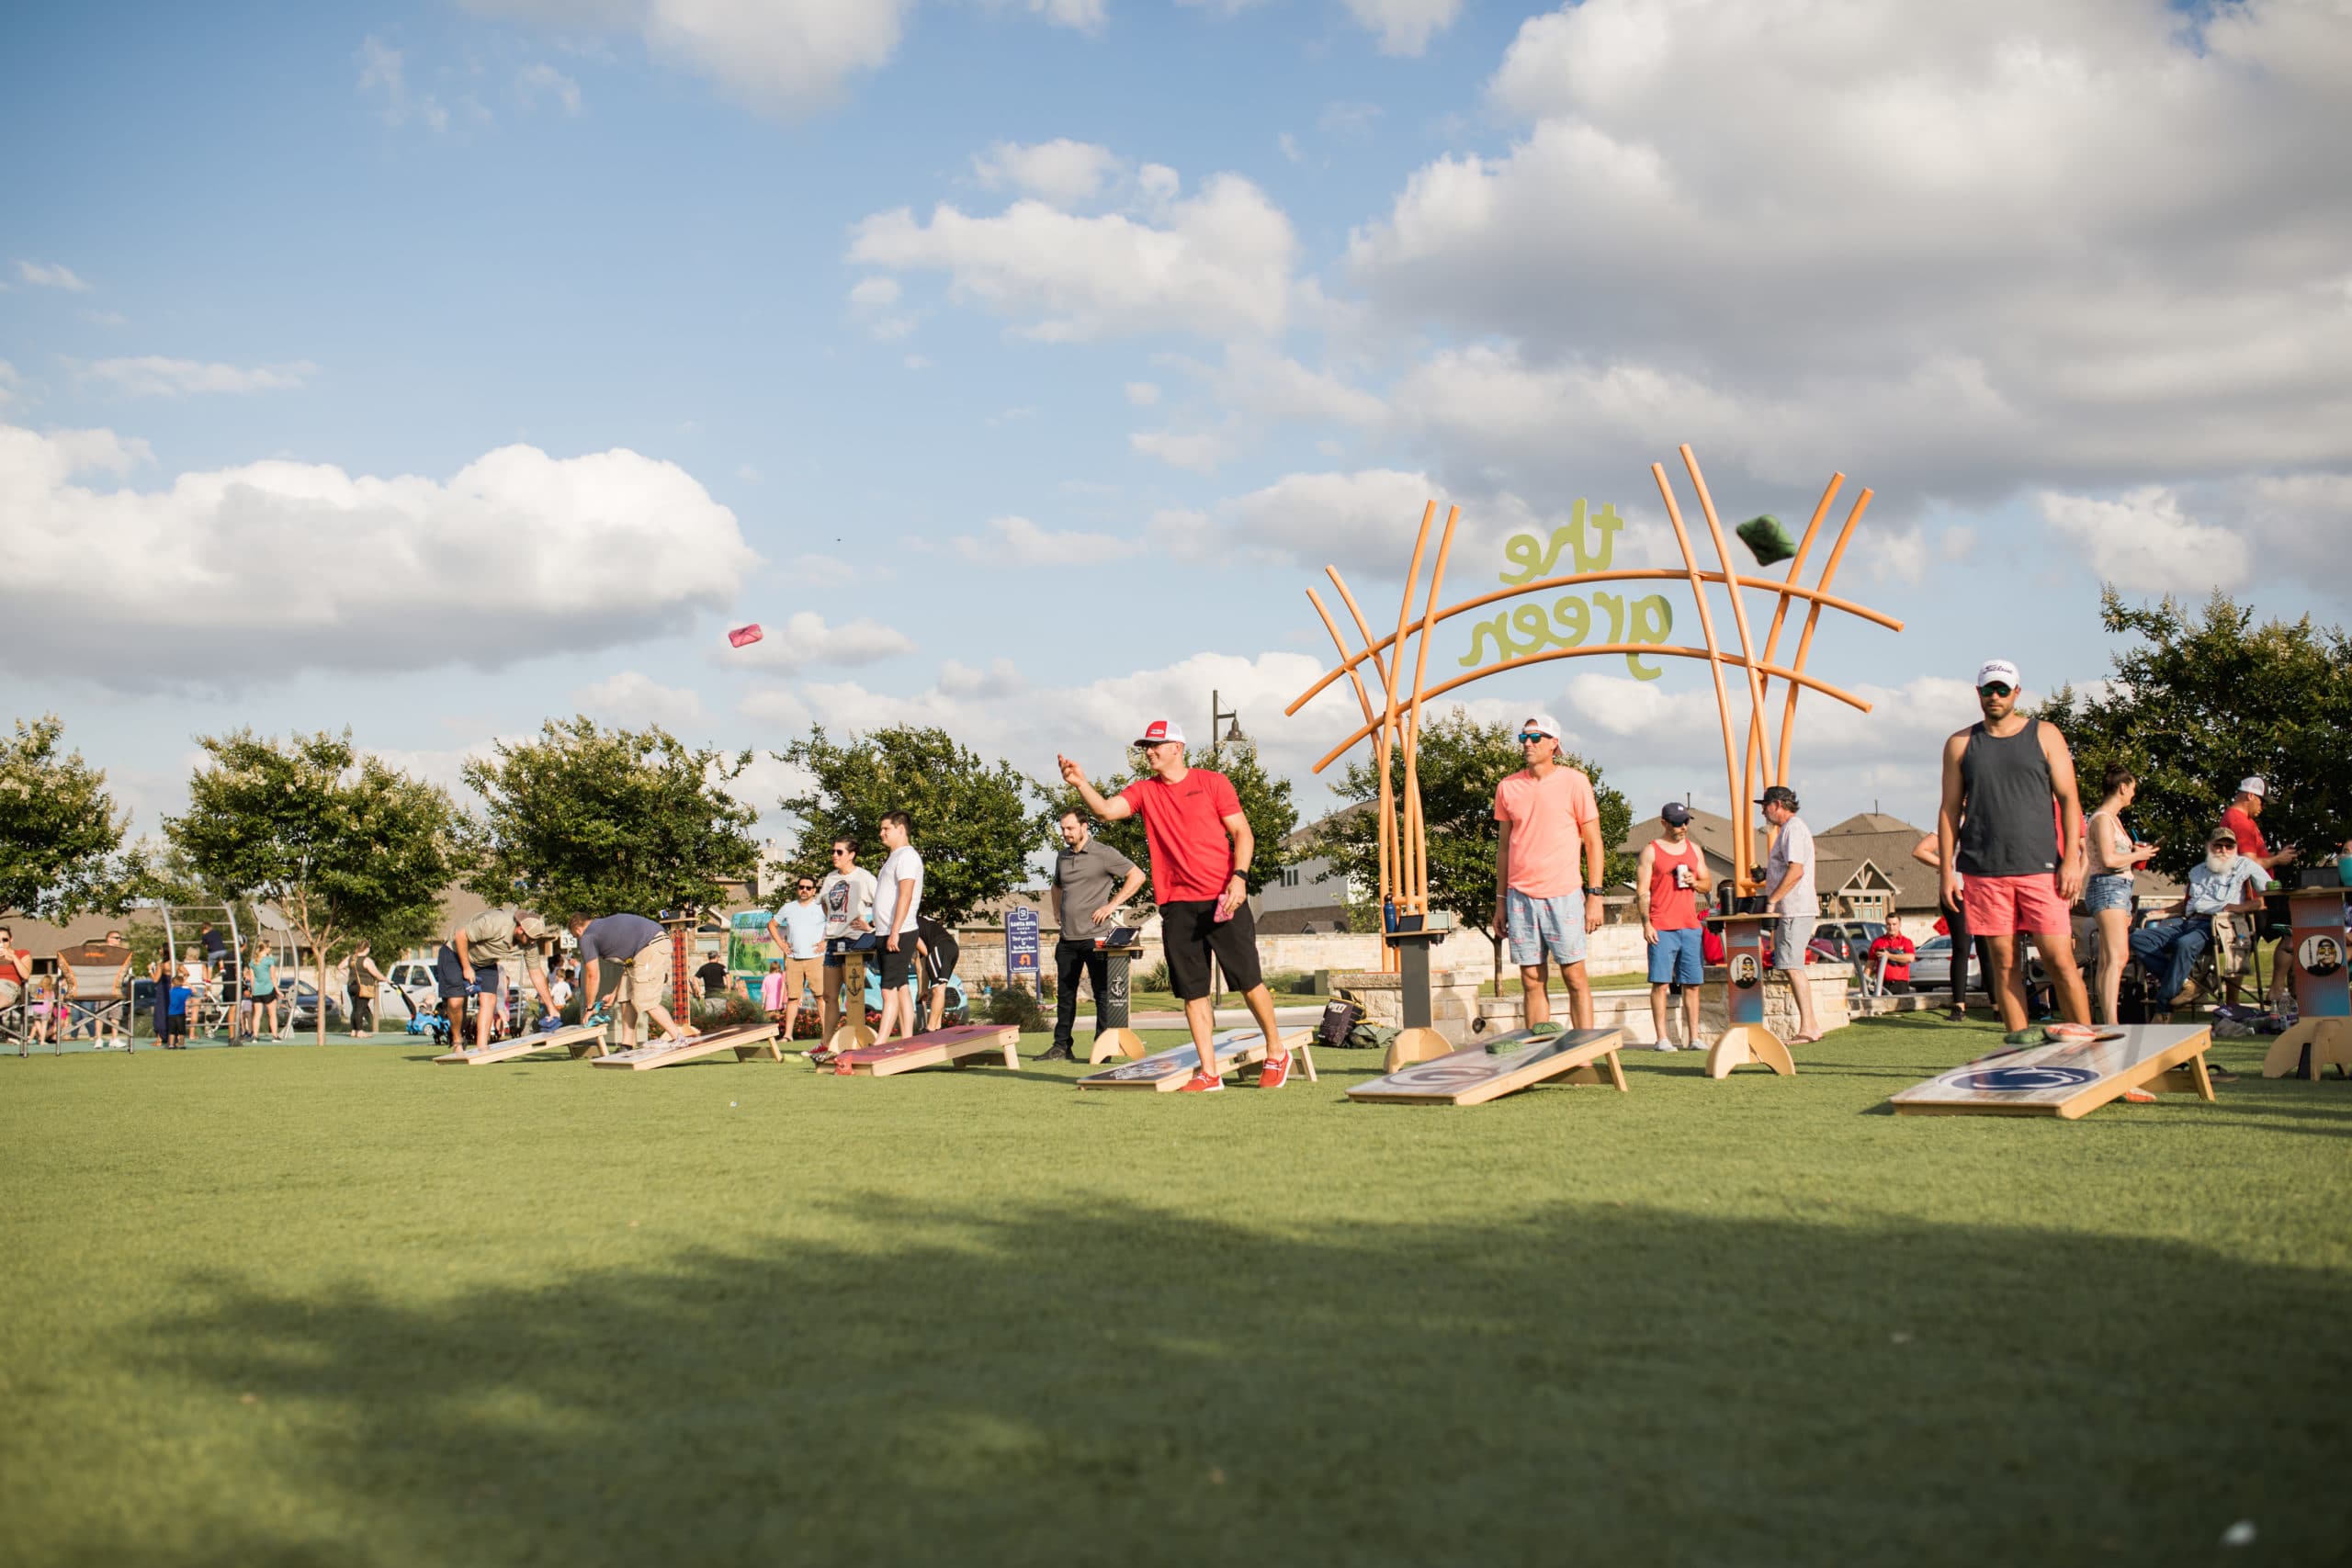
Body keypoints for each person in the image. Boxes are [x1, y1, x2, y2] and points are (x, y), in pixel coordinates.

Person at [1058, 718, 1294, 1091]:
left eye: (1157, 745)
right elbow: (1105, 810)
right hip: (1177, 905)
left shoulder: (1213, 783)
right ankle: (1209, 1072)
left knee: (1249, 982)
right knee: (1193, 993)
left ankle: (1277, 1051)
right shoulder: (1144, 791)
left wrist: (1240, 877)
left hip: (1223, 898)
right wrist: (1081, 783)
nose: (1149, 751)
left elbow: (1242, 832)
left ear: (1178, 748)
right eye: (1146, 747)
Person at [1936, 660, 2093, 1035]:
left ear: (2016, 693)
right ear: (1978, 694)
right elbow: (1949, 810)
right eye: (1988, 689)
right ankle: (2020, 1052)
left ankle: (2090, 1049)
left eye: (2002, 690)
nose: (1995, 696)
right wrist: (1946, 872)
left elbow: (2070, 799)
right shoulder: (1960, 743)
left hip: (2041, 868)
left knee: (2059, 960)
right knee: (2004, 964)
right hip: (1983, 871)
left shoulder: (2046, 734)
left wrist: (2070, 860)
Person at [1492, 713, 1607, 1037]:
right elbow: (1504, 849)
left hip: (1565, 893)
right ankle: (1537, 1054)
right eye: (1523, 738)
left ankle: (1584, 1052)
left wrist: (1595, 896)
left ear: (1554, 744)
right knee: (1530, 979)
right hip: (1519, 897)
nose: (1528, 743)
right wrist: (1500, 901)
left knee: (1574, 975)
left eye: (1535, 737)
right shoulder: (1507, 787)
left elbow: (1594, 842)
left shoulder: (1575, 782)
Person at [2129, 825, 2264, 1036]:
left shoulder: (2245, 866)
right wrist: (2160, 912)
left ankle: (2163, 1009)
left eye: (2229, 846)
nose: (2223, 850)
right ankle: (2186, 983)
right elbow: (2186, 905)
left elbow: (2261, 903)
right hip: (2188, 921)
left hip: (2218, 925)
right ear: (2209, 846)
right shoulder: (2197, 871)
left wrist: (2237, 908)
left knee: (2184, 944)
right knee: (2137, 938)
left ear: (2235, 848)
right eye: (2218, 845)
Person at [1043, 807, 1145, 1062]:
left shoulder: (1104, 854)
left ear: (1084, 826)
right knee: (1066, 994)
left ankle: (1103, 1048)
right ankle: (1061, 1046)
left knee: (1101, 994)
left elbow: (1137, 875)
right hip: (1068, 938)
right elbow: (1056, 886)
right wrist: (1056, 909)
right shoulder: (1062, 857)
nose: (1065, 833)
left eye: (1070, 828)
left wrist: (1112, 905)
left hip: (1096, 938)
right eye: (1063, 829)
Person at [2082, 764, 2155, 1026]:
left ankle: (2108, 1018)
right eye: (2132, 788)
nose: (2133, 794)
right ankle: (2111, 1021)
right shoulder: (2102, 818)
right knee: (2117, 956)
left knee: (2109, 957)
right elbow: (2109, 859)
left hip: (2119, 889)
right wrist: (2139, 854)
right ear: (2123, 787)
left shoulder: (2113, 820)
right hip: (2108, 887)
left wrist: (2133, 853)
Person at [1638, 801, 1712, 1052]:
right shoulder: (1651, 851)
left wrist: (1695, 882)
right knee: (1660, 983)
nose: (1682, 827)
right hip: (1661, 926)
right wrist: (1646, 924)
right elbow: (1642, 892)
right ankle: (1662, 1039)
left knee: (1692, 984)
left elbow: (1707, 883)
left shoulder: (1695, 850)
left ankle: (1694, 1038)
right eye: (1677, 823)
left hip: (1690, 926)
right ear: (1664, 823)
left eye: (1685, 822)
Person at [1755, 785, 1825, 1043]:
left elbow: (1796, 870)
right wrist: (1766, 875)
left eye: (1765, 805)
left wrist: (1772, 900)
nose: (1763, 811)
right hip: (1792, 909)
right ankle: (1810, 1026)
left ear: (1778, 805)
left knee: (1793, 967)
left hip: (1795, 909)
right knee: (1790, 966)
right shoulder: (1788, 831)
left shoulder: (1793, 830)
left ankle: (1810, 1027)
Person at [435, 908, 560, 1054]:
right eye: (531, 938)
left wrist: (551, 1007)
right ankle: (457, 1040)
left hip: (486, 961)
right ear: (520, 929)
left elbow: (536, 972)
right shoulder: (495, 923)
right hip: (455, 953)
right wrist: (467, 968)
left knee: (489, 1000)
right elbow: (460, 935)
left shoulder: (530, 944)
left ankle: (482, 1047)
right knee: (455, 1002)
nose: (533, 942)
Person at [566, 912, 695, 1049]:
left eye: (576, 936)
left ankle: (679, 1038)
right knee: (625, 997)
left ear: (578, 930)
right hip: (644, 949)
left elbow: (593, 975)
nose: (578, 939)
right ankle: (626, 1045)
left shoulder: (587, 936)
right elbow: (628, 968)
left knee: (645, 1000)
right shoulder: (603, 927)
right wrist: (613, 995)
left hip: (650, 946)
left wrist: (590, 1007)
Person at [816, 838, 878, 1054]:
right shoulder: (830, 878)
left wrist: (869, 924)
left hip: (854, 941)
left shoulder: (864, 877)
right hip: (833, 940)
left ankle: (855, 1040)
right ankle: (826, 1043)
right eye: (833, 851)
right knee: (829, 996)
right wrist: (834, 920)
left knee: (853, 995)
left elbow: (882, 903)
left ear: (851, 855)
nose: (834, 855)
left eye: (839, 852)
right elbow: (824, 903)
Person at [870, 811, 925, 1043]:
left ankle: (880, 1042)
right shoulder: (893, 858)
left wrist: (894, 931)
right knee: (901, 986)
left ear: (900, 829)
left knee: (888, 989)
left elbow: (906, 894)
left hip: (899, 932)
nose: (881, 833)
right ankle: (907, 1040)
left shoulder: (907, 857)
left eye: (886, 829)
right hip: (886, 932)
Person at [763, 875, 829, 1044]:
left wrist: (826, 942)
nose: (804, 890)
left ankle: (827, 1036)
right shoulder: (788, 908)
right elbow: (771, 925)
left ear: (814, 890)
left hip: (816, 958)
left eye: (808, 887)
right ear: (797, 889)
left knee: (821, 997)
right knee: (792, 998)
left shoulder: (821, 907)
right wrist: (781, 945)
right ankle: (787, 1035)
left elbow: (836, 923)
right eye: (801, 887)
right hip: (793, 959)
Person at [914, 911, 960, 1032]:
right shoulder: (922, 921)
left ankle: (930, 1028)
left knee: (937, 990)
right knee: (940, 989)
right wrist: (923, 990)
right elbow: (924, 962)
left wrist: (922, 991)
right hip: (953, 947)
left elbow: (923, 960)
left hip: (940, 947)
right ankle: (938, 1027)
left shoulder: (909, 925)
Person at [1866, 915, 1917, 996]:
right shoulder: (1878, 942)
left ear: (1899, 925)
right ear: (1885, 925)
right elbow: (1869, 966)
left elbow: (1910, 958)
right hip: (1882, 984)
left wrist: (1888, 956)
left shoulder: (1906, 942)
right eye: (1888, 924)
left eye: (1894, 924)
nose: (1891, 927)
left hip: (1901, 985)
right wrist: (1863, 985)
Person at [346, 940, 387, 1037]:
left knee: (355, 1008)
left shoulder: (351, 958)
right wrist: (386, 979)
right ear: (367, 948)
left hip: (351, 985)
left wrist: (348, 976)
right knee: (360, 1008)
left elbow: (340, 967)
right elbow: (376, 973)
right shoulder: (366, 960)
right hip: (363, 987)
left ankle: (353, 1030)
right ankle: (360, 1031)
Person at [247, 942, 284, 1042]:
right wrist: (278, 990)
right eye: (269, 947)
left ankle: (255, 1036)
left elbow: (252, 979)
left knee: (257, 1015)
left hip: (257, 992)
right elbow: (273, 977)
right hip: (268, 990)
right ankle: (275, 1036)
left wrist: (252, 991)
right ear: (265, 948)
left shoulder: (252, 962)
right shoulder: (269, 960)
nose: (270, 949)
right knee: (272, 1014)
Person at [165, 965, 193, 1049]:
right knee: (181, 1031)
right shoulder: (184, 991)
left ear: (172, 984)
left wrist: (177, 983)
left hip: (171, 1014)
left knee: (172, 1031)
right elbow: (194, 990)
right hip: (181, 1014)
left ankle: (171, 1045)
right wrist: (187, 983)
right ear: (182, 983)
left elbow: (173, 985)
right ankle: (181, 1044)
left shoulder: (171, 991)